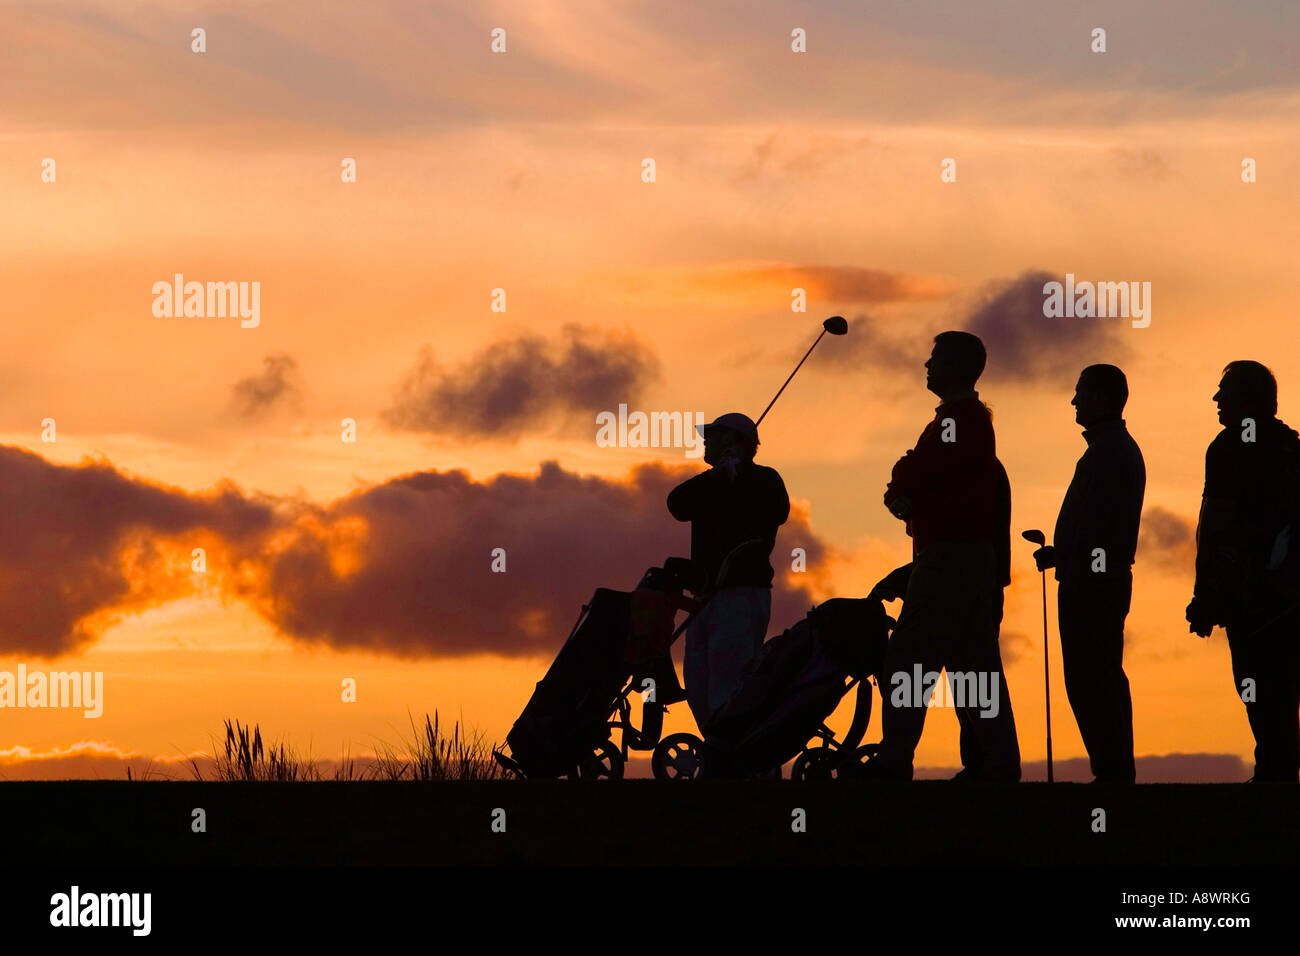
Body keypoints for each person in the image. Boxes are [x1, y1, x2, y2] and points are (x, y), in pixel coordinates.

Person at [861, 331, 1021, 780]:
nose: (926, 366)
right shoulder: (966, 422)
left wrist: (901, 476)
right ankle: (999, 764)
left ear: (953, 366)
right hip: (966, 560)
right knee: (975, 666)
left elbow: (920, 472)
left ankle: (894, 761)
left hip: (948, 558)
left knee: (908, 662)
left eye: (933, 359)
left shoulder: (958, 422)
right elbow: (924, 476)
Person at [1186, 361, 1300, 783]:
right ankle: (1280, 775)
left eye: (1225, 392)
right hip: (1286, 594)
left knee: (1257, 685)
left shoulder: (1229, 447)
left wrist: (1207, 596)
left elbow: (1217, 525)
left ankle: (1274, 779)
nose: (1217, 400)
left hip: (1251, 595)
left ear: (1247, 399)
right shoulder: (1291, 447)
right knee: (1283, 690)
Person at [1031, 365, 1145, 783]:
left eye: (1081, 393)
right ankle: (1113, 768)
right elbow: (1096, 526)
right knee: (1098, 674)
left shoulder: (1110, 451)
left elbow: (1099, 527)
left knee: (1091, 677)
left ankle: (1112, 771)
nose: (1074, 401)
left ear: (1100, 396)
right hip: (1094, 578)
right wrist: (1063, 554)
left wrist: (1072, 562)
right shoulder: (1110, 449)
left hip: (1094, 584)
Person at [667, 412, 790, 735]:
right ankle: (721, 758)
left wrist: (740, 473)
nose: (705, 443)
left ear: (733, 441)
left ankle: (739, 764)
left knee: (730, 682)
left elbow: (778, 510)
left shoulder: (765, 478)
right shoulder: (712, 482)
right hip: (705, 599)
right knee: (698, 687)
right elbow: (676, 504)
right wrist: (718, 476)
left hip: (742, 594)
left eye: (713, 436)